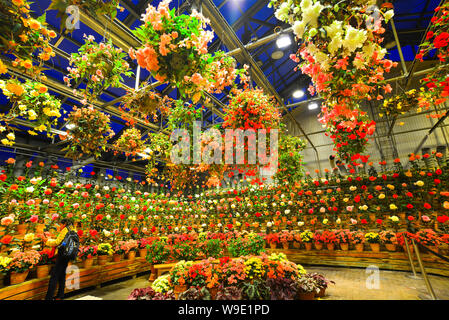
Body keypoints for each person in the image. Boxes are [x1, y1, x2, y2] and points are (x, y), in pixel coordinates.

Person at [45, 218, 76, 300]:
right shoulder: (73, 229)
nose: (60, 226)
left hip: (62, 255)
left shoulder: (65, 230)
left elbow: (57, 242)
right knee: (62, 275)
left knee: (54, 276)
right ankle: (60, 295)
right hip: (68, 255)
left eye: (61, 224)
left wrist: (46, 240)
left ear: (64, 224)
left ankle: (49, 297)